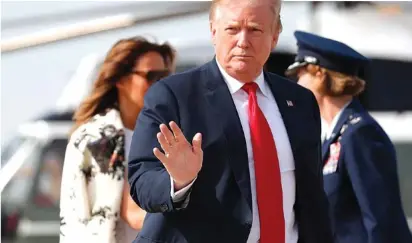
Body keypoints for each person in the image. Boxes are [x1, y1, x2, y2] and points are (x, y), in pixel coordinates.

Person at [127, 0, 333, 242]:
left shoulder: (300, 102)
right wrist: (178, 181)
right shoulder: (174, 95)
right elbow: (142, 181)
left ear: (275, 36)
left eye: (255, 29)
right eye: (232, 29)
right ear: (214, 32)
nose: (243, 41)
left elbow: (313, 197)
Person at [285, 30, 412, 243]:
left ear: (319, 75)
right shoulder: (334, 135)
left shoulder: (360, 133)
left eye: (301, 74)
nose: (297, 84)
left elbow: (382, 221)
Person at [59, 36, 176, 243]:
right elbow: (133, 212)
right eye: (152, 76)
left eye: (164, 77)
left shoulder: (169, 132)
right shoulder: (99, 137)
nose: (160, 85)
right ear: (121, 80)